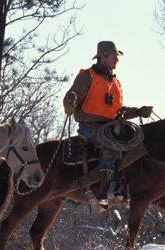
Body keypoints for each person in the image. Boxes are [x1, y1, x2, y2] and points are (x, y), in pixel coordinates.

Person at [63, 41, 153, 205]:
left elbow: (119, 111)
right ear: (102, 57)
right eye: (114, 57)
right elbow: (72, 95)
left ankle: (121, 184)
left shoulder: (115, 83)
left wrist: (139, 112)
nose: (117, 60)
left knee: (133, 138)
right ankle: (106, 191)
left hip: (110, 125)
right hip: (89, 125)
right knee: (111, 141)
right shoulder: (87, 76)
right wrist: (69, 104)